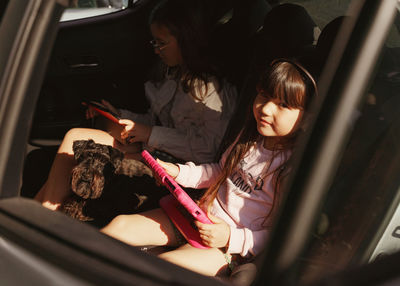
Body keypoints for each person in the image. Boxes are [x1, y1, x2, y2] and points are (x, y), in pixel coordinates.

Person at [100, 59, 318, 276]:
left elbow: (282, 235)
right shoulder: (250, 139)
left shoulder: (291, 168)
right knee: (119, 227)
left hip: (229, 248)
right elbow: (218, 172)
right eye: (264, 96)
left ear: (307, 118)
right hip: (197, 216)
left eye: (283, 105)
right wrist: (178, 172)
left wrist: (231, 237)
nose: (266, 109)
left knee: (162, 267)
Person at [34, 0, 237, 211]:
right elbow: (157, 119)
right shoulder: (172, 73)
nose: (156, 50)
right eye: (154, 43)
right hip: (155, 148)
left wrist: (151, 134)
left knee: (76, 138)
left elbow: (209, 149)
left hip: (181, 164)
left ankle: (41, 214)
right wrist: (121, 116)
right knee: (73, 149)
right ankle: (36, 212)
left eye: (161, 43)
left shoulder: (210, 90)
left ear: (185, 40)